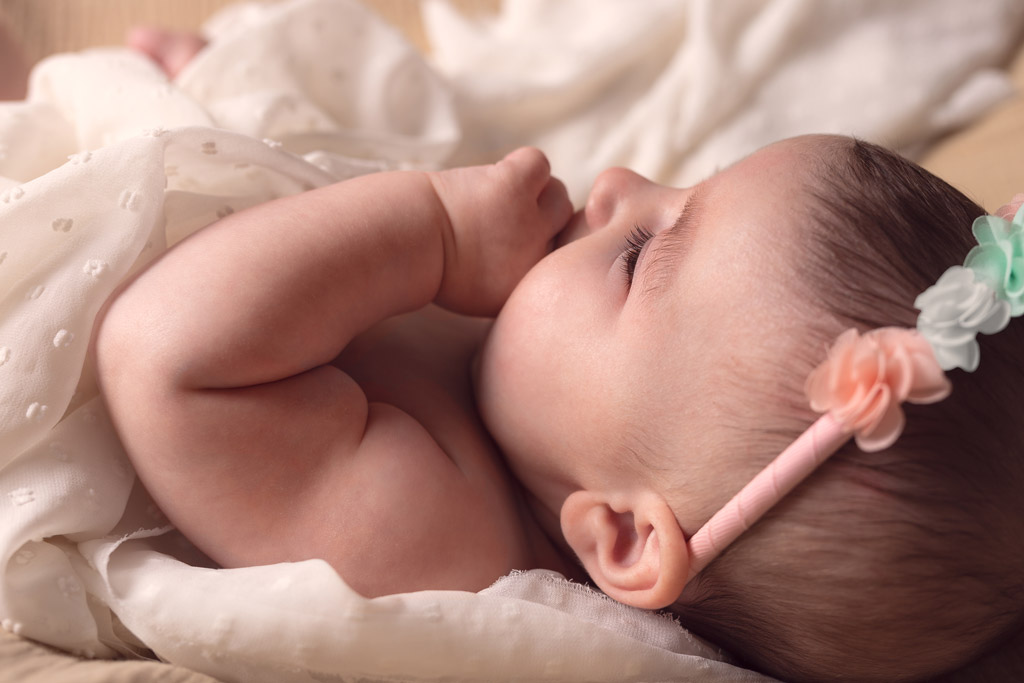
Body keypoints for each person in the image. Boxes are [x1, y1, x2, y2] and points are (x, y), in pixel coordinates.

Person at [93, 25, 1023, 683]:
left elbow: (165, 356)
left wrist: (437, 231)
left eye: (638, 250)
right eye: (681, 190)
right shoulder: (543, 395)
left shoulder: (437, 529)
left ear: (621, 536)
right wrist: (261, 137)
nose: (618, 182)